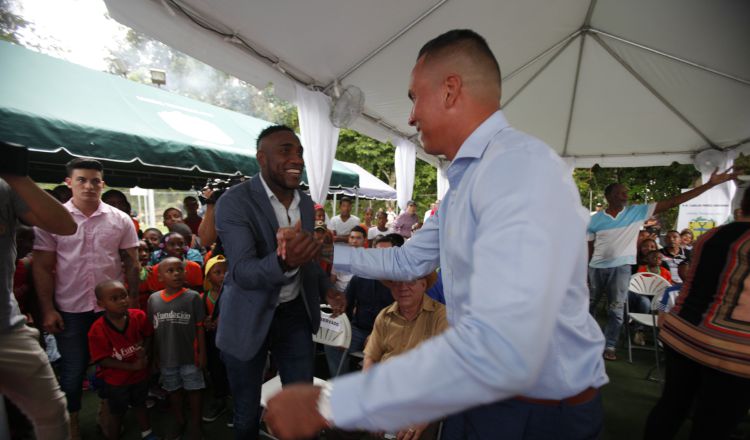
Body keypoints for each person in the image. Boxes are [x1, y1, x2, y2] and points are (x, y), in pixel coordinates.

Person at [265, 29, 608, 440]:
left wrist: (338, 403)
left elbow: (502, 338)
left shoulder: (518, 169)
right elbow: (408, 260)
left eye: (414, 96)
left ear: (450, 90)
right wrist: (323, 251)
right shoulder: (470, 181)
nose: (410, 115)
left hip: (534, 411)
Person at [214, 124, 340, 439]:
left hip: (294, 314)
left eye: (299, 151)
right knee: (246, 411)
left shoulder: (307, 205)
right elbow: (242, 271)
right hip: (246, 315)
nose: (296, 158)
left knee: (300, 405)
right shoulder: (235, 201)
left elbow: (308, 260)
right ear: (261, 158)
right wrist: (284, 260)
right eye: (286, 150)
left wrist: (328, 288)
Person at [33, 158, 140, 438]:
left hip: (111, 309)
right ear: (69, 182)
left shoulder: (120, 219)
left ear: (103, 184)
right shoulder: (53, 218)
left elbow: (132, 264)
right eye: (82, 179)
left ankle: (108, 414)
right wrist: (48, 309)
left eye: (95, 180)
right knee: (73, 369)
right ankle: (73, 424)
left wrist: (135, 303)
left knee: (113, 364)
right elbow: (42, 266)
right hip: (71, 307)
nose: (89, 186)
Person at [589, 171, 737, 361]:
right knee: (590, 304)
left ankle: (609, 345)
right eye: (621, 193)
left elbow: (673, 201)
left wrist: (709, 184)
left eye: (626, 193)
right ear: (609, 196)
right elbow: (589, 245)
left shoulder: (637, 212)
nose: (626, 196)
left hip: (622, 268)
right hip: (596, 268)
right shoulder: (594, 219)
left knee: (616, 309)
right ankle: (589, 340)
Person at [644, 188, 750, 440]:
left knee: (671, 407)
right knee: (714, 423)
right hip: (730, 346)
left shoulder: (711, 235)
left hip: (682, 332)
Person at [1, 169, 76, 440]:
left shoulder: (5, 187)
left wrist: (15, 173)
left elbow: (66, 225)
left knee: (52, 412)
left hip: (7, 329)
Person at [363, 271, 448, 440]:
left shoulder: (441, 316)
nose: (403, 288)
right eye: (397, 282)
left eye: (411, 281)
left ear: (424, 285)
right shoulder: (384, 316)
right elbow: (370, 358)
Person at [88, 280, 157, 440]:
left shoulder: (138, 316)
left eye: (123, 296)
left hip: (140, 376)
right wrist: (133, 366)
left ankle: (147, 432)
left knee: (141, 404)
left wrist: (145, 351)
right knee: (117, 412)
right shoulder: (97, 330)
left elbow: (148, 335)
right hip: (116, 381)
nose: (122, 301)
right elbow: (102, 360)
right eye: (114, 298)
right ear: (101, 303)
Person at [148, 257, 206, 440]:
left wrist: (202, 353)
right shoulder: (153, 299)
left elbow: (200, 327)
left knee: (194, 390)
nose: (176, 274)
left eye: (180, 270)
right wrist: (155, 356)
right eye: (170, 270)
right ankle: (180, 420)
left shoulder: (193, 297)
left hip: (190, 356)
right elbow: (153, 331)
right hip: (166, 358)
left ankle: (195, 424)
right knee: (173, 390)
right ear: (159, 277)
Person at [326, 234, 399, 377]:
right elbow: (346, 305)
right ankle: (342, 385)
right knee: (332, 343)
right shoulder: (359, 277)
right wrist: (342, 330)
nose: (382, 258)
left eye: (386, 254)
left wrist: (375, 335)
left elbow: (400, 315)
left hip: (387, 332)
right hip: (358, 330)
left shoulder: (398, 282)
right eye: (378, 253)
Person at [201, 254, 231, 423]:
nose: (222, 276)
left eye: (225, 272)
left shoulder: (235, 294)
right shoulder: (203, 297)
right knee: (217, 371)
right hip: (213, 344)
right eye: (217, 272)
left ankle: (234, 403)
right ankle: (220, 399)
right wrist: (207, 323)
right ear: (208, 277)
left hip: (231, 341)